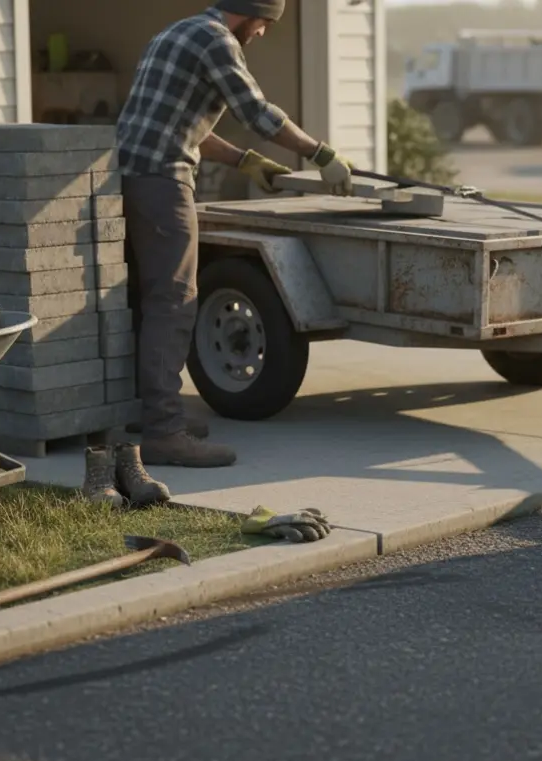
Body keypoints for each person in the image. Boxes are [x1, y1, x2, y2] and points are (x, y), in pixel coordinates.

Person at [116, 0, 355, 468]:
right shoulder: (218, 40)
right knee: (174, 301)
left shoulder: (174, 33)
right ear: (250, 12)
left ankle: (148, 413)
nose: (262, 33)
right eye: (265, 24)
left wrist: (245, 160)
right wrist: (320, 154)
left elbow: (184, 125)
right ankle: (164, 434)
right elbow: (257, 113)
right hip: (162, 182)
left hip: (129, 178)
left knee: (148, 298)